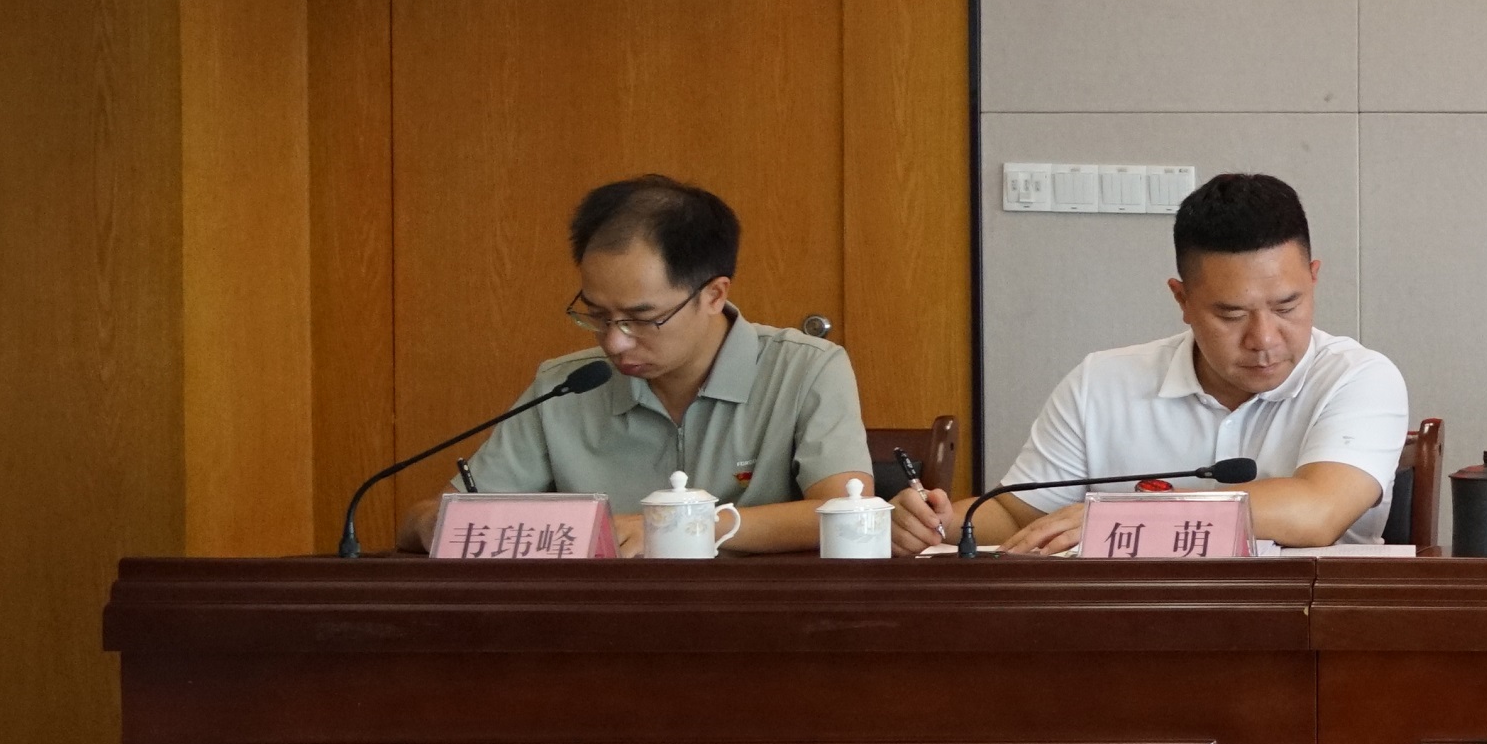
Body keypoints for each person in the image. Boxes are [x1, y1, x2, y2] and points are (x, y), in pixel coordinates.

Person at [893, 171, 1408, 552]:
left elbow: (1317, 511)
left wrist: (1125, 516)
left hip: (1306, 635)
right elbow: (1016, 516)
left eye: (1287, 306)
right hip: (1128, 632)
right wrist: (935, 524)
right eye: (1231, 314)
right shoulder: (1102, 383)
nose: (1264, 338)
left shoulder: (1358, 378)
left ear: (1314, 278)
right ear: (1182, 299)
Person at [440, 174, 871, 554]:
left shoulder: (805, 369)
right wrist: (437, 525)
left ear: (714, 295)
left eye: (642, 319)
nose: (614, 342)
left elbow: (846, 513)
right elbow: (439, 518)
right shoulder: (565, 385)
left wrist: (678, 528)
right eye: (598, 315)